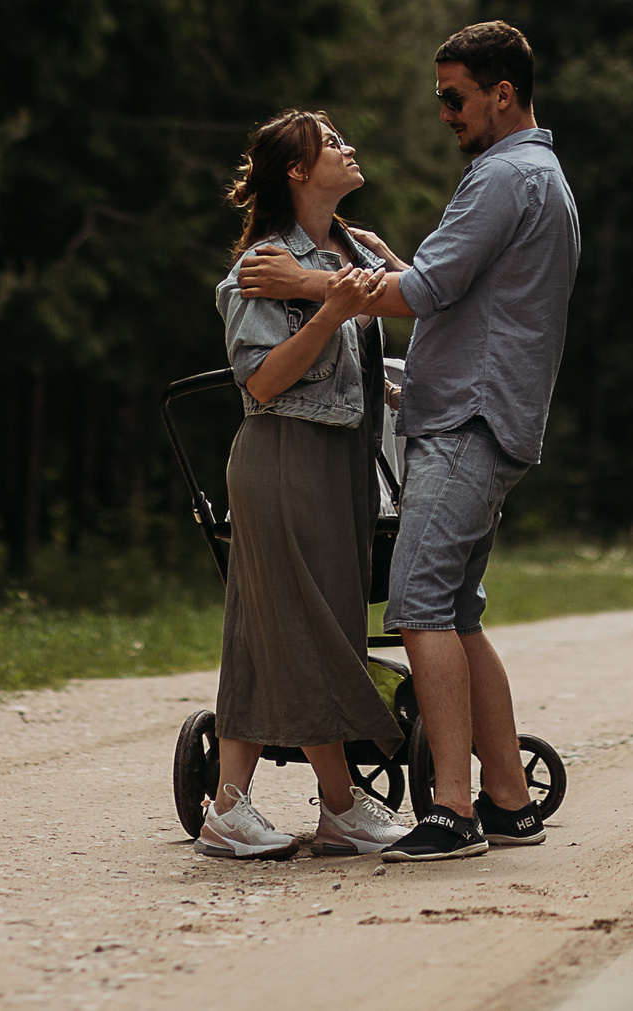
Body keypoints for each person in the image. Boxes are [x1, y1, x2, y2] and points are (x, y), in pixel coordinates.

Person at [238, 21, 579, 862]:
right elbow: (468, 298)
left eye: (454, 97)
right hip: (489, 415)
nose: (444, 113)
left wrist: (305, 281)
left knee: (421, 605)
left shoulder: (503, 177)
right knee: (458, 614)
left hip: (469, 421)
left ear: (503, 93)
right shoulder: (542, 175)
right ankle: (506, 799)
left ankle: (452, 811)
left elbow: (426, 291)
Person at [199, 109, 414, 861]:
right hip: (284, 456)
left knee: (265, 628)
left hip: (340, 460)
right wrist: (326, 312)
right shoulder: (262, 264)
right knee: (315, 621)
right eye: (332, 143)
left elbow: (416, 301)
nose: (349, 147)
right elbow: (260, 382)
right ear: (296, 170)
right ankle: (341, 802)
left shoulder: (356, 249)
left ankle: (229, 807)